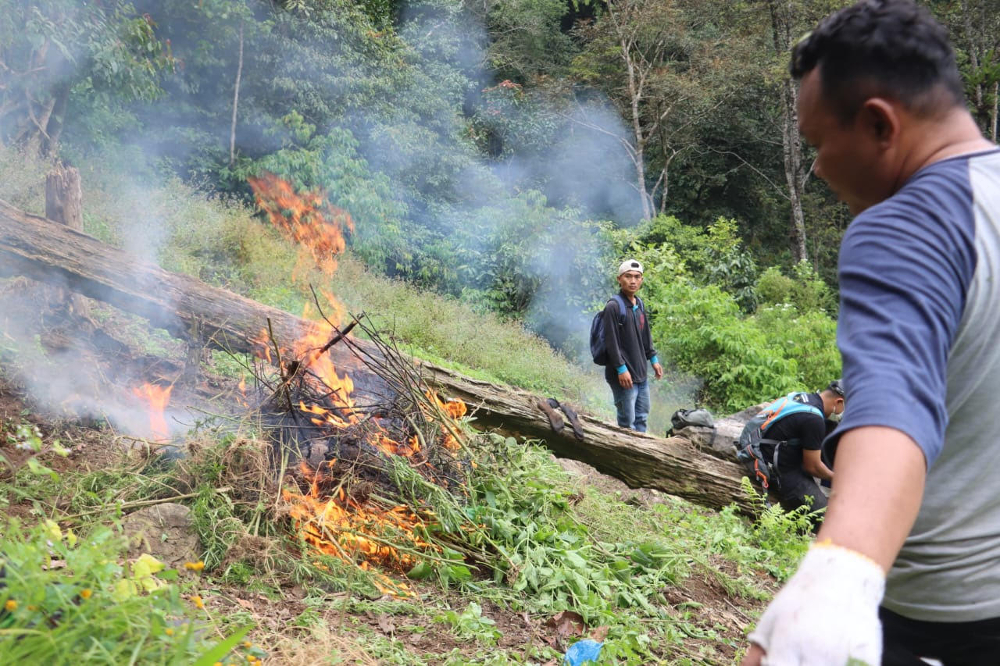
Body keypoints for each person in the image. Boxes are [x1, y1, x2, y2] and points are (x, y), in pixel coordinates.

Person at [743, 1, 1000, 665]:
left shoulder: (907, 225)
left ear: (880, 123)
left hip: (947, 621)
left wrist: (833, 581)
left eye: (819, 144)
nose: (820, 168)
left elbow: (891, 406)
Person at [738, 380, 845, 521]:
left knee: (832, 431)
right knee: (827, 518)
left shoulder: (804, 398)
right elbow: (812, 467)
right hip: (776, 467)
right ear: (838, 402)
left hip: (770, 448)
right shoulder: (814, 419)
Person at [602, 259, 664, 432]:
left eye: (637, 277)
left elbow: (645, 335)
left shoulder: (639, 304)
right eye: (628, 276)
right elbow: (611, 341)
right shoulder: (614, 307)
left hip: (640, 373)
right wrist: (621, 369)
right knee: (627, 423)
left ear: (642, 280)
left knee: (642, 419)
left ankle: (639, 454)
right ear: (619, 279)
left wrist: (653, 359)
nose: (633, 281)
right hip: (623, 375)